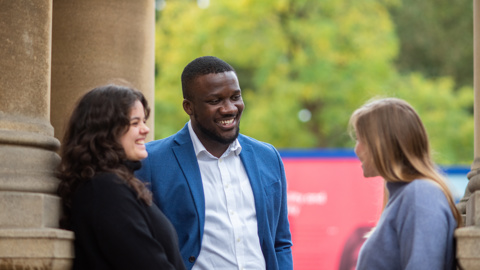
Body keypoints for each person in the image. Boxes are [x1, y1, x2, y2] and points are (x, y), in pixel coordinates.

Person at [135, 56, 293, 270]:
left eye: (235, 97)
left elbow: (280, 242)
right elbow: (142, 245)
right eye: (215, 101)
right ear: (188, 107)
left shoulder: (268, 157)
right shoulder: (151, 162)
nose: (229, 109)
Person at [57, 84, 186, 270]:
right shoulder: (105, 189)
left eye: (144, 121)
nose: (145, 130)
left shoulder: (112, 184)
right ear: (106, 132)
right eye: (135, 123)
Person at [349, 97, 463, 270]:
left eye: (361, 140)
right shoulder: (405, 195)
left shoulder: (421, 194)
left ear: (382, 143)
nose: (357, 149)